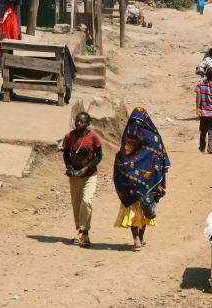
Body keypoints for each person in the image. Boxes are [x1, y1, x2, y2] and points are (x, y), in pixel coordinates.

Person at [114, 107, 171, 251]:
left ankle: (136, 240)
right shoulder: (154, 137)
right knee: (145, 208)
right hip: (149, 183)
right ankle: (141, 236)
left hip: (131, 183)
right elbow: (159, 163)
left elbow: (122, 158)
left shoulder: (128, 137)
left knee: (132, 209)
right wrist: (158, 184)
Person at [63, 112, 103, 246]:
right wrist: (70, 168)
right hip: (75, 176)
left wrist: (88, 168)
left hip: (90, 175)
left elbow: (99, 155)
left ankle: (84, 232)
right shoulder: (69, 136)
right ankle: (81, 231)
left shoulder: (93, 137)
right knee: (76, 203)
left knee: (86, 201)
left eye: (82, 121)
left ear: (88, 124)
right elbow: (66, 154)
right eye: (77, 121)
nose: (79, 123)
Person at [195, 67, 212, 154]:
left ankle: (202, 146)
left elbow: (198, 96)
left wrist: (197, 108)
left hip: (203, 111)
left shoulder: (201, 83)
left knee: (203, 130)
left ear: (206, 74)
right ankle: (211, 147)